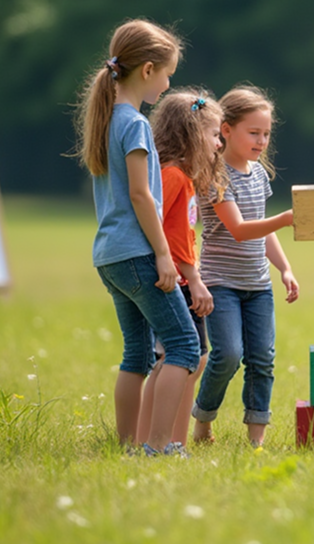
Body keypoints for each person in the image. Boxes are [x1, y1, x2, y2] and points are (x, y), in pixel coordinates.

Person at [73, 19, 200, 457]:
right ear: (147, 70)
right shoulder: (135, 124)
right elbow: (141, 194)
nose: (168, 84)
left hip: (109, 256)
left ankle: (125, 448)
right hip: (138, 254)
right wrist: (164, 256)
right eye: (167, 74)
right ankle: (160, 447)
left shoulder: (107, 119)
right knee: (185, 346)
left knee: (138, 354)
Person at [190, 85, 297, 448]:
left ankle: (256, 442)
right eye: (254, 132)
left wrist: (284, 268)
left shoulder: (258, 174)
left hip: (258, 285)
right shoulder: (215, 178)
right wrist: (284, 219)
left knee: (262, 359)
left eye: (266, 133)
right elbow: (239, 229)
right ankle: (202, 419)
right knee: (228, 355)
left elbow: (261, 229)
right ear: (226, 130)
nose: (262, 140)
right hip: (220, 283)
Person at [135, 88, 227, 448]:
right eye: (214, 134)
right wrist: (194, 279)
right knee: (185, 355)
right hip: (175, 278)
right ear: (191, 132)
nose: (218, 144)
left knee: (190, 357)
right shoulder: (173, 177)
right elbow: (167, 235)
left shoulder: (180, 177)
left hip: (179, 275)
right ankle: (161, 442)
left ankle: (168, 440)